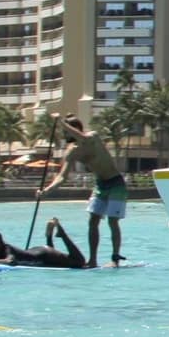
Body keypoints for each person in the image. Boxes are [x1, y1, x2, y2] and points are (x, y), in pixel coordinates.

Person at [40, 113, 127, 267]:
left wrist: (61, 122)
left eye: (66, 131)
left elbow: (82, 137)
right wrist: (46, 190)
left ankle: (115, 259)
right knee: (93, 220)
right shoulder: (72, 151)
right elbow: (62, 177)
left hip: (116, 183)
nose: (65, 134)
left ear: (75, 129)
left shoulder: (92, 137)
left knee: (112, 221)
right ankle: (92, 260)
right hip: (101, 185)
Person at [0, 217, 89, 269]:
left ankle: (62, 234)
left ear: (0, 242)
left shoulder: (7, 248)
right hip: (35, 252)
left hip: (45, 254)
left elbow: (11, 261)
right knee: (56, 262)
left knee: (79, 262)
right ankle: (49, 236)